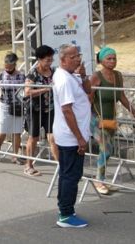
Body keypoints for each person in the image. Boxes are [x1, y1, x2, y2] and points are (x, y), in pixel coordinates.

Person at [89, 46, 135, 195]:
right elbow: (88, 100)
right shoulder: (96, 76)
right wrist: (91, 119)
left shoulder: (118, 76)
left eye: (114, 58)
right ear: (101, 60)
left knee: (109, 150)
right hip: (96, 119)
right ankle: (99, 180)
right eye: (109, 58)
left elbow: (122, 97)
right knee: (105, 149)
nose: (112, 61)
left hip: (110, 120)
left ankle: (101, 178)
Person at [52, 44, 92, 228]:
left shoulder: (71, 76)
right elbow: (67, 110)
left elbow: (88, 91)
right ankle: (66, 215)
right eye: (73, 56)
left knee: (68, 174)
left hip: (72, 136)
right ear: (63, 59)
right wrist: (80, 138)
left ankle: (66, 209)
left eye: (78, 55)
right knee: (71, 175)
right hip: (71, 137)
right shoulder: (64, 80)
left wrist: (83, 75)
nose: (77, 59)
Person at [23, 45, 59, 176]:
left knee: (53, 137)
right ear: (39, 59)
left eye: (51, 60)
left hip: (50, 109)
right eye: (46, 60)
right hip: (35, 110)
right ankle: (29, 165)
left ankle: (61, 166)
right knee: (34, 137)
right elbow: (27, 92)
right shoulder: (33, 74)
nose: (49, 63)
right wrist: (46, 88)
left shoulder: (54, 71)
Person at [0, 53, 26, 164]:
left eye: (9, 66)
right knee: (3, 129)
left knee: (17, 131)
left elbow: (25, 91)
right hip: (5, 105)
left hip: (18, 106)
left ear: (14, 64)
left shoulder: (21, 76)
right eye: (5, 66)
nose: (7, 69)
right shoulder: (1, 75)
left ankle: (14, 156)